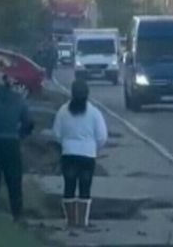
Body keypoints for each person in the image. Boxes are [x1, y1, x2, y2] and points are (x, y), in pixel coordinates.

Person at [52, 78, 107, 231]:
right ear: (87, 94)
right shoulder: (94, 113)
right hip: (87, 155)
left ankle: (70, 221)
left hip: (69, 154)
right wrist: (94, 147)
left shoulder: (63, 111)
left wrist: (64, 144)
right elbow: (102, 136)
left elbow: (56, 133)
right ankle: (83, 221)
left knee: (69, 187)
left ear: (72, 94)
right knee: (85, 187)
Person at [0, 71, 34, 223]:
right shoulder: (18, 100)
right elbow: (28, 123)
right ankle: (17, 214)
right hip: (12, 144)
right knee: (14, 180)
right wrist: (20, 135)